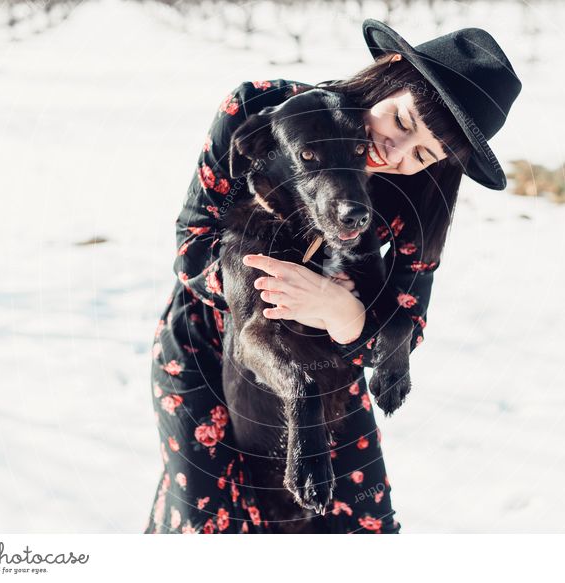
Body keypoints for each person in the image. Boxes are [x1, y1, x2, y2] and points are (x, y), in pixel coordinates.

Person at [143, 19, 522, 534]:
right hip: (207, 346)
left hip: (321, 360)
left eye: (425, 154)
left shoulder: (420, 199)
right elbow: (191, 247)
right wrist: (264, 296)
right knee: (211, 525)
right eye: (402, 122)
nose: (395, 153)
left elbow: (403, 330)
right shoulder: (263, 110)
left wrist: (343, 313)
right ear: (391, 71)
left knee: (354, 529)